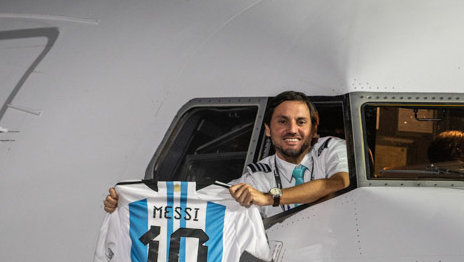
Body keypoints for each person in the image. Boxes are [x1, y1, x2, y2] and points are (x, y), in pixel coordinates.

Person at [103, 90, 350, 217]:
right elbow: (205, 201)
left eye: (301, 122)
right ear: (267, 130)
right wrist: (133, 203)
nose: (292, 130)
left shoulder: (330, 149)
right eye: (282, 122)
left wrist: (269, 198)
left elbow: (338, 182)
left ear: (314, 128)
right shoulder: (256, 176)